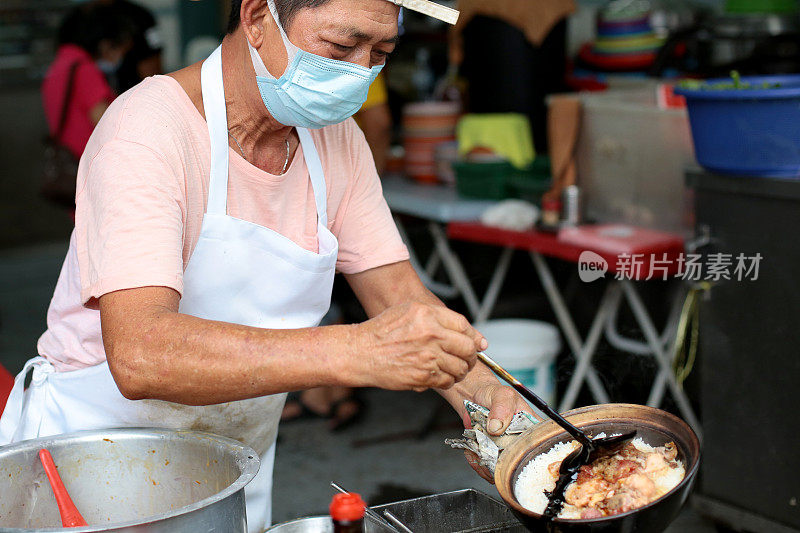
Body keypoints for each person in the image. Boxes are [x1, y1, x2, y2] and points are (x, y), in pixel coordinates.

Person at [0, 1, 534, 531]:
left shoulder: (336, 140)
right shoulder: (147, 130)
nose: (360, 72)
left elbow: (399, 295)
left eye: (381, 53)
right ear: (257, 17)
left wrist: (489, 402)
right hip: (93, 471)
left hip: (232, 469)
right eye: (341, 47)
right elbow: (141, 354)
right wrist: (357, 351)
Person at [42, 3, 133, 162]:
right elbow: (108, 126)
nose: (120, 57)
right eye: (120, 49)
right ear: (105, 44)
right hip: (89, 162)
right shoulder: (85, 70)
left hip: (70, 159)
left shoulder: (60, 65)